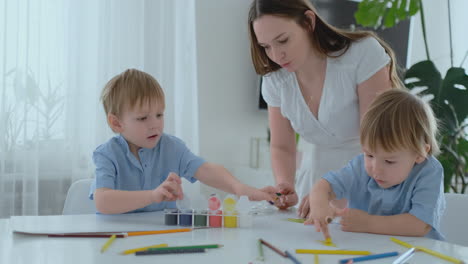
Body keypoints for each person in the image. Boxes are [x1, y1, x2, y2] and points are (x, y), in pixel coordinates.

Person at [248, 0, 403, 217]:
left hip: (371, 177)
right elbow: (282, 146)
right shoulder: (275, 80)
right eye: (266, 46)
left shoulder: (361, 54)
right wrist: (284, 186)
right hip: (315, 182)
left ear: (308, 22)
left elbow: (376, 141)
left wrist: (329, 189)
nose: (276, 55)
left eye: (283, 40)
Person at [89, 69, 275, 214]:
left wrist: (238, 187)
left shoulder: (172, 147)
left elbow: (205, 169)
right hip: (115, 236)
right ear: (116, 123)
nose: (155, 125)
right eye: (143, 118)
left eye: (159, 115)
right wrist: (153, 196)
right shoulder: (107, 154)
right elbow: (103, 201)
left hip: (160, 235)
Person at [305, 89, 445, 240]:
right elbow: (324, 186)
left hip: (419, 254)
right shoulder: (360, 166)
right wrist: (319, 204)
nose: (375, 169)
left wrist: (368, 223)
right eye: (369, 155)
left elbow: (420, 225)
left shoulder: (429, 172)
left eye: (389, 161)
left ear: (420, 154)